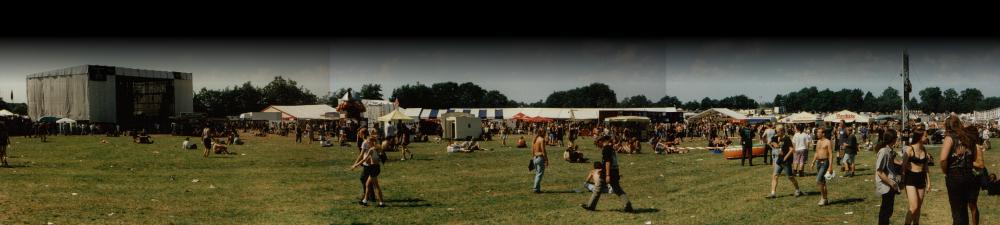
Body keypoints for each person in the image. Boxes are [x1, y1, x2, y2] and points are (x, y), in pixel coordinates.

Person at [939, 117, 985, 225]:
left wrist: (945, 171)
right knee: (963, 209)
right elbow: (973, 157)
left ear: (948, 125)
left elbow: (942, 159)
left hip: (955, 176)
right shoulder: (967, 137)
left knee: (957, 211)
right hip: (968, 176)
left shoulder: (949, 138)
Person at [581, 135, 633, 212]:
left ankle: (591, 206)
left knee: (598, 189)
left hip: (608, 172)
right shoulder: (611, 148)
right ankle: (628, 206)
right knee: (617, 190)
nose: (598, 146)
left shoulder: (606, 149)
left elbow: (608, 162)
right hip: (614, 171)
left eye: (597, 144)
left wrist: (607, 175)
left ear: (600, 141)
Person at [902, 129, 931, 225]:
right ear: (919, 137)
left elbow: (926, 167)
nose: (927, 137)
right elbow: (903, 166)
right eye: (925, 136)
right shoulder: (910, 149)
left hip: (921, 178)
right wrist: (902, 180)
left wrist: (929, 183)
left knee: (918, 207)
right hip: (910, 178)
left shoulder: (924, 149)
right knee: (913, 207)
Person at [768, 126, 803, 198]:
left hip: (786, 161)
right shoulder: (776, 137)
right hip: (779, 160)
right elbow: (769, 142)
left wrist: (785, 158)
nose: (776, 133)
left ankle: (797, 190)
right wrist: (774, 146)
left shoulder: (786, 139)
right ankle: (773, 193)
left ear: (782, 131)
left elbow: (791, 150)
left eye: (777, 131)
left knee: (790, 177)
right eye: (776, 131)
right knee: (775, 176)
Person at [350, 136, 385, 207]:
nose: (367, 142)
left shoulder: (371, 149)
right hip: (376, 167)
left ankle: (381, 203)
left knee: (376, 186)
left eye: (369, 141)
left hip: (373, 168)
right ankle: (365, 201)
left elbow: (364, 159)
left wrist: (355, 165)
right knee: (367, 184)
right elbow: (380, 157)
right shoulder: (378, 148)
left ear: (372, 142)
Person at [875, 129, 900, 225]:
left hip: (889, 184)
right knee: (885, 211)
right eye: (896, 138)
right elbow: (879, 171)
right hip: (886, 185)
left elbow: (891, 163)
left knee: (888, 210)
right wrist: (891, 183)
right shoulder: (884, 151)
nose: (897, 139)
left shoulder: (889, 150)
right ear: (893, 139)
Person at [811, 127, 833, 206]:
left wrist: (830, 166)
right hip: (818, 163)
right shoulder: (818, 142)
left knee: (818, 180)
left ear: (823, 133)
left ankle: (823, 198)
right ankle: (825, 199)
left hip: (825, 162)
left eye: (818, 132)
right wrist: (813, 162)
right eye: (817, 132)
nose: (817, 134)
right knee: (823, 182)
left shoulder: (828, 142)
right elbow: (816, 153)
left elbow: (830, 154)